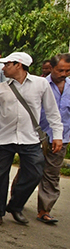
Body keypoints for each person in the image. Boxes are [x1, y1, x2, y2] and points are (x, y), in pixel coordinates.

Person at [0, 52, 63, 225]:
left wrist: (57, 135)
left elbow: (52, 112)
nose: (3, 68)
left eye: (7, 65)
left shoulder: (41, 84)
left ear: (18, 65)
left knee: (35, 172)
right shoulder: (0, 88)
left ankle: (15, 205)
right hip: (3, 139)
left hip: (30, 138)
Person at [36, 53, 70, 224]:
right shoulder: (40, 85)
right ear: (52, 67)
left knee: (52, 174)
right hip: (37, 135)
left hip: (61, 137)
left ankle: (44, 210)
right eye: (60, 70)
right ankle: (16, 200)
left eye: (67, 71)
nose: (63, 74)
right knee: (31, 170)